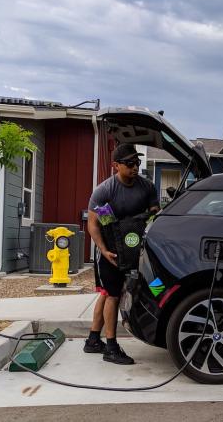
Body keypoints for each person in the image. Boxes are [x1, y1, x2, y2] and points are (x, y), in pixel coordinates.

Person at [84, 143, 160, 364]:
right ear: (116, 165)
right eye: (129, 164)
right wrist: (104, 250)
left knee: (153, 283)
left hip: (138, 250)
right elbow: (94, 225)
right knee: (112, 294)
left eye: (137, 163)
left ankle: (92, 340)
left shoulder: (146, 187)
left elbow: (155, 214)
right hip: (111, 253)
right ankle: (111, 347)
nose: (135, 167)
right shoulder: (105, 191)